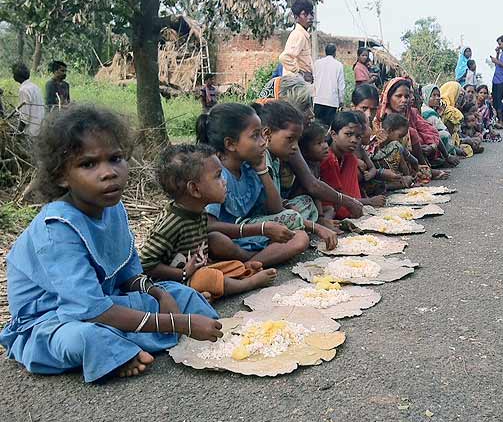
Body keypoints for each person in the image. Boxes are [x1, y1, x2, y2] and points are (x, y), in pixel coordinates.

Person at [0, 105, 223, 382]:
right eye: (89, 164)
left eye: (116, 158)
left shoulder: (112, 207)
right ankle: (120, 350)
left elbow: (129, 274)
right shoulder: (57, 229)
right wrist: (182, 323)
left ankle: (124, 347)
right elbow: (92, 311)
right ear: (61, 176)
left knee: (181, 294)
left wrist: (159, 294)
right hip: (52, 319)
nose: (109, 173)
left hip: (106, 300)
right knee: (84, 338)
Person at [139, 144, 277, 302]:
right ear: (195, 189)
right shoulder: (171, 223)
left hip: (197, 271)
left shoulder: (198, 211)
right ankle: (248, 283)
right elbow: (145, 263)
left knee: (232, 266)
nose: (224, 181)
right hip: (171, 283)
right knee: (207, 277)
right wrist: (182, 274)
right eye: (218, 176)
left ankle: (226, 282)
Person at [197, 103, 310, 267]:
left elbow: (275, 209)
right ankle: (252, 261)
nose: (263, 142)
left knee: (300, 238)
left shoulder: (249, 168)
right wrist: (261, 229)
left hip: (249, 236)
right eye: (255, 136)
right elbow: (209, 225)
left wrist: (262, 170)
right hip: (228, 238)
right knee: (217, 241)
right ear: (230, 144)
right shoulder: (217, 174)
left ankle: (249, 263)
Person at [257, 75, 365, 220]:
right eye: (305, 107)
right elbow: (312, 184)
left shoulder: (289, 142)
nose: (311, 114)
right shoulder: (266, 148)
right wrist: (348, 201)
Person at [252, 100, 338, 248]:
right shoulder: (262, 159)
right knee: (295, 223)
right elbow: (272, 208)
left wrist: (286, 204)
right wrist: (315, 227)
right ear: (267, 134)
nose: (294, 147)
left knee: (305, 202)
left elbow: (276, 199)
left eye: (297, 141)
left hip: (274, 213)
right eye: (290, 139)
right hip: (257, 220)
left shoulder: (276, 159)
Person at [374, 77, 455, 177]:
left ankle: (423, 167)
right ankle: (420, 169)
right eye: (398, 96)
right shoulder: (381, 117)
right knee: (411, 132)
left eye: (406, 96)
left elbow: (429, 130)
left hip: (408, 156)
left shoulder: (410, 112)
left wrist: (431, 145)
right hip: (384, 160)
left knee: (415, 134)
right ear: (389, 97)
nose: (404, 100)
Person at [320, 112, 386, 219]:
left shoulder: (349, 157)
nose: (354, 140)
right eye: (348, 134)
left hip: (342, 204)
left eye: (358, 136)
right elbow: (336, 197)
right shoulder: (328, 157)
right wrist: (369, 201)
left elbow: (348, 194)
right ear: (334, 135)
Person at [279, 0, 314, 83]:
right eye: (305, 14)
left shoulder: (304, 34)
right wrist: (301, 74)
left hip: (300, 84)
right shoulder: (299, 34)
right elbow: (284, 57)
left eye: (311, 14)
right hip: (296, 85)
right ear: (296, 17)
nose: (310, 17)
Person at [313, 43, 345, 127]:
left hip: (318, 99)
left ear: (325, 52)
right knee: (328, 126)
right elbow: (341, 86)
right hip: (332, 101)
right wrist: (341, 100)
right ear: (335, 52)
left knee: (317, 126)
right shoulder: (339, 65)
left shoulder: (317, 63)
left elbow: (314, 80)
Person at [11, 63, 44, 137]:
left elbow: (25, 117)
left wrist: (17, 133)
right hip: (40, 127)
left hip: (31, 132)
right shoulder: (35, 87)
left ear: (17, 76)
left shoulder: (23, 90)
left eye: (13, 74)